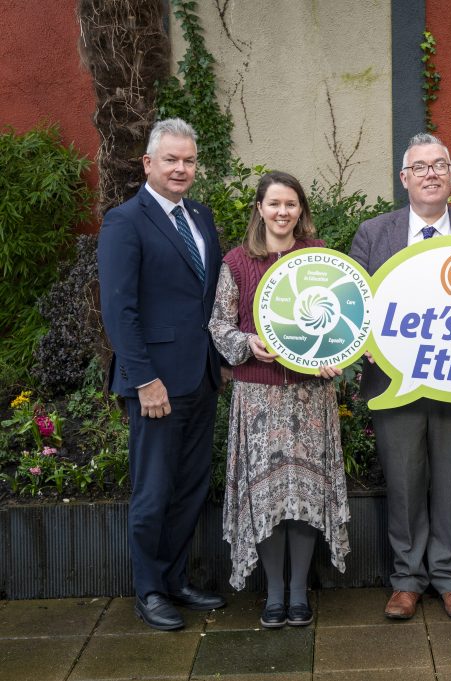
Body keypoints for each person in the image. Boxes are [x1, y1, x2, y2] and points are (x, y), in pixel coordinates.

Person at [349, 133, 451, 620]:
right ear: (404, 179)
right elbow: (355, 303)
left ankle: (450, 579)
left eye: (439, 165)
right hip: (392, 384)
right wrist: (367, 347)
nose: (430, 174)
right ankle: (406, 580)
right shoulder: (373, 233)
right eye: (419, 167)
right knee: (403, 483)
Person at [98, 118, 226, 631]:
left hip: (201, 377)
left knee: (191, 486)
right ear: (148, 163)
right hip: (156, 384)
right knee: (153, 491)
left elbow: (209, 297)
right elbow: (118, 309)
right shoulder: (124, 221)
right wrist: (143, 379)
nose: (181, 168)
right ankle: (148, 590)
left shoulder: (200, 215)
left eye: (189, 160)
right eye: (170, 159)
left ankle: (174, 580)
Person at [208, 171, 351, 628]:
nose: (283, 212)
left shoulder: (321, 259)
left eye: (291, 204)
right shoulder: (237, 262)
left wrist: (337, 356)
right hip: (258, 397)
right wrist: (248, 343)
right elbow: (218, 325)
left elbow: (345, 317)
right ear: (259, 209)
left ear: (301, 210)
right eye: (274, 204)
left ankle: (298, 592)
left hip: (310, 397)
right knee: (268, 495)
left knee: (305, 493)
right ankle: (273, 593)